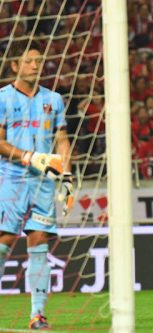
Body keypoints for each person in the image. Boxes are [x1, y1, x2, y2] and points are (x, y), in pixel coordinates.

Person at [0, 40, 74, 329]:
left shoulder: (53, 100)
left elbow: (62, 140)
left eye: (39, 61)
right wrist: (29, 156)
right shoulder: (2, 98)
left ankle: (37, 314)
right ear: (15, 66)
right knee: (4, 239)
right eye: (29, 61)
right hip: (11, 178)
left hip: (43, 182)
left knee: (39, 241)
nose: (35, 65)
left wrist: (66, 176)